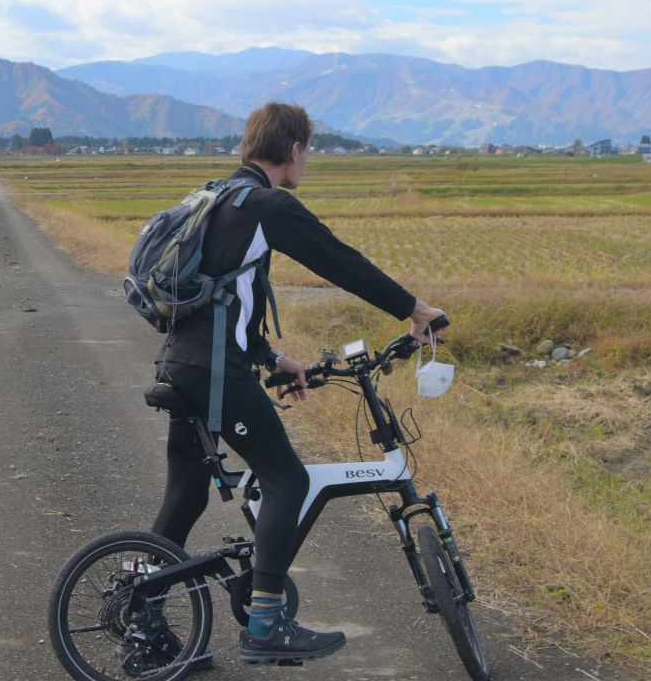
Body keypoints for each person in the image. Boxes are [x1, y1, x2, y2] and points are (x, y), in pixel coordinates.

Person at [150, 102, 446, 667]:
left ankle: (143, 620)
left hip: (181, 365)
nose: (305, 162)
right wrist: (415, 309)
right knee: (288, 479)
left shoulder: (216, 198)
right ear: (293, 151)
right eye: (306, 152)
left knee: (184, 496)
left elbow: (226, 295)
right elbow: (338, 260)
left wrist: (272, 357)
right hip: (214, 374)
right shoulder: (267, 205)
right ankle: (265, 624)